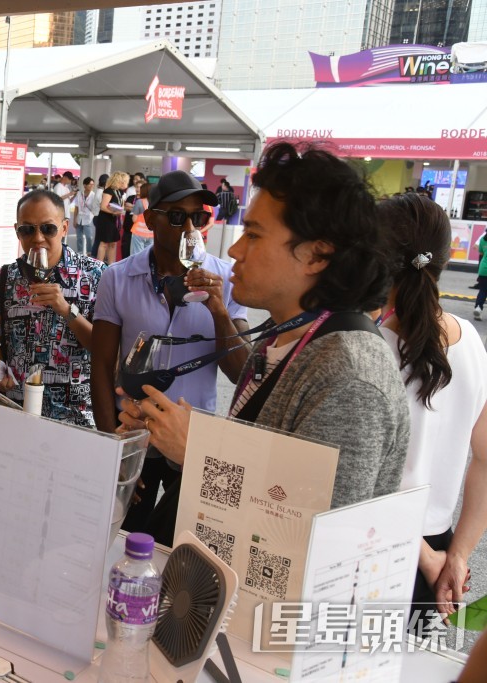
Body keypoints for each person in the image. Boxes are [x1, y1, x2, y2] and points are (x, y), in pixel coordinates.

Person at [119, 143, 409, 545]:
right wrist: (178, 430)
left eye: (253, 234)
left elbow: (315, 532)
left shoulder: (350, 377)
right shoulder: (283, 335)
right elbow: (269, 459)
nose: (235, 250)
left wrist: (199, 450)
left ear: (316, 254)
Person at [92, 170, 250, 539]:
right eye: (177, 217)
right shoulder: (117, 277)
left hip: (194, 437)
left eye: (199, 217)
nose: (190, 227)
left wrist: (219, 311)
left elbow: (242, 375)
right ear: (150, 219)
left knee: (183, 543)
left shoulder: (225, 279)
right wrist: (110, 446)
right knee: (124, 536)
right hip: (134, 431)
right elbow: (100, 366)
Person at [376, 194, 487, 632]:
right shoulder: (473, 344)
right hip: (437, 551)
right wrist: (456, 556)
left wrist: (429, 559)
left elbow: (363, 481)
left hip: (374, 546)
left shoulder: (371, 350)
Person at [0, 190, 106, 426]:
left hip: (74, 418)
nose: (38, 238)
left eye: (47, 228)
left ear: (64, 228)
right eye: (27, 229)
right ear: (17, 232)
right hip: (14, 412)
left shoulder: (96, 274)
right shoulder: (5, 276)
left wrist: (66, 310)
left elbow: (105, 349)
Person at [95, 171, 128, 264]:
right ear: (118, 181)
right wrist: (114, 212)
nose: (125, 184)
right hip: (106, 220)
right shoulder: (108, 190)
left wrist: (118, 211)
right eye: (124, 182)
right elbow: (103, 206)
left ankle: (111, 265)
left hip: (114, 220)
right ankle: (98, 265)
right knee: (104, 243)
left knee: (113, 243)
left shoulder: (119, 192)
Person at [70, 176, 98, 255]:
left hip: (88, 218)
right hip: (79, 218)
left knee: (89, 237)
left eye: (93, 184)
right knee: (79, 237)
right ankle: (80, 252)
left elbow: (94, 208)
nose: (92, 186)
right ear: (84, 185)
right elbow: (76, 207)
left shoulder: (94, 195)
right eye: (90, 184)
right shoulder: (79, 194)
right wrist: (74, 219)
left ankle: (89, 252)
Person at [474, 229, 486, 320]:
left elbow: (481, 253)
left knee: (482, 290)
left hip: (483, 269)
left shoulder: (483, 239)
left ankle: (478, 307)